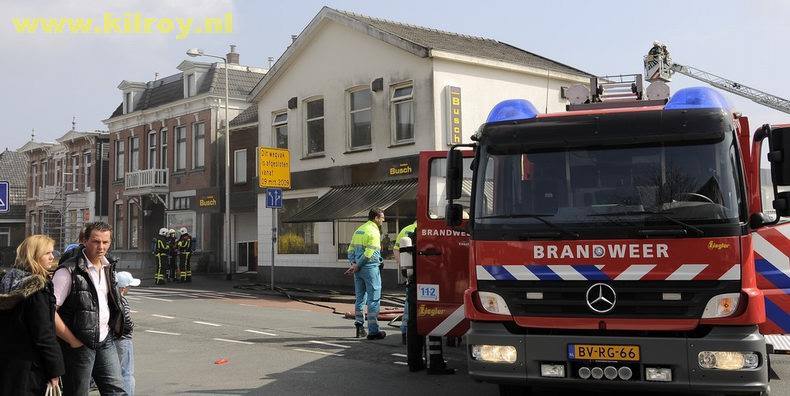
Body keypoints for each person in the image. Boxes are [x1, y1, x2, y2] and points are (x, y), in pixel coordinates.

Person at [53, 222, 126, 395]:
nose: (101, 247)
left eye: (105, 242)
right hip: (79, 343)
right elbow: (49, 312)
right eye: (96, 241)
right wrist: (72, 340)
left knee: (116, 390)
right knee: (77, 392)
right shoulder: (68, 271)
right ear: (85, 241)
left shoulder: (109, 267)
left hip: (104, 338)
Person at [0, 235, 65, 396]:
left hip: (6, 361)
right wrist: (55, 370)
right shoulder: (37, 289)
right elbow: (43, 334)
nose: (52, 257)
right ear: (34, 255)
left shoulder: (7, 280)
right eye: (47, 253)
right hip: (29, 367)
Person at [345, 208, 386, 340]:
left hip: (358, 270)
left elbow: (350, 249)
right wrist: (357, 265)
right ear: (375, 218)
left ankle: (359, 326)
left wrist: (353, 264)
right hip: (370, 268)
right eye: (382, 218)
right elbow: (369, 253)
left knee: (360, 297)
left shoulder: (359, 230)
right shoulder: (374, 231)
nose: (383, 220)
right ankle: (373, 331)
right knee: (373, 299)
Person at [114, 271, 139, 396]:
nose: (129, 289)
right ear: (123, 288)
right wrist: (131, 328)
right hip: (123, 339)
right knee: (127, 372)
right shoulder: (122, 300)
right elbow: (127, 321)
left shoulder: (110, 298)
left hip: (112, 338)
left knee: (115, 372)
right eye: (129, 286)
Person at [394, 221, 417, 345]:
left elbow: (396, 249)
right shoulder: (426, 228)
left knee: (409, 303)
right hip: (424, 273)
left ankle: (405, 332)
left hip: (411, 272)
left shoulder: (405, 229)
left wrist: (405, 268)